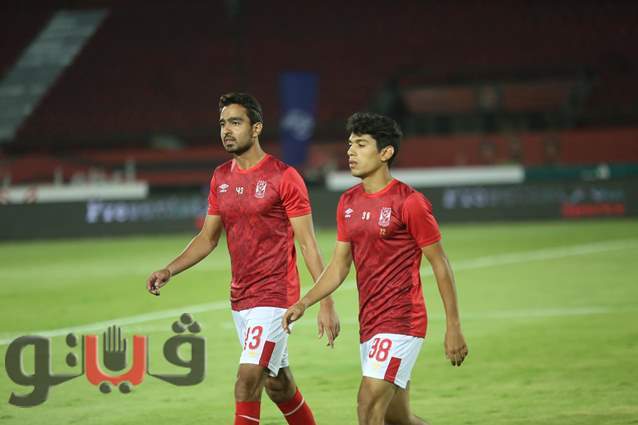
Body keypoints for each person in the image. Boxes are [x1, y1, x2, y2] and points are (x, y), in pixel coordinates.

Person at [147, 92, 340, 425]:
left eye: (235, 122)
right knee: (278, 384)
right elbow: (208, 238)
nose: (227, 130)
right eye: (223, 123)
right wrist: (170, 269)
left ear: (256, 128)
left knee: (246, 381)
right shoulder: (221, 177)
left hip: (275, 297)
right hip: (241, 299)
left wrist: (326, 302)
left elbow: (308, 244)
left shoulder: (283, 177)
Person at [282, 112, 468, 425]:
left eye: (361, 144)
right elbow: (339, 265)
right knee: (399, 419)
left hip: (402, 321)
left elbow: (440, 263)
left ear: (385, 152)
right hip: (370, 323)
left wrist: (453, 326)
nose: (351, 152)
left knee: (367, 407)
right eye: (350, 144)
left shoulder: (409, 202)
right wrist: (305, 302)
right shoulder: (348, 202)